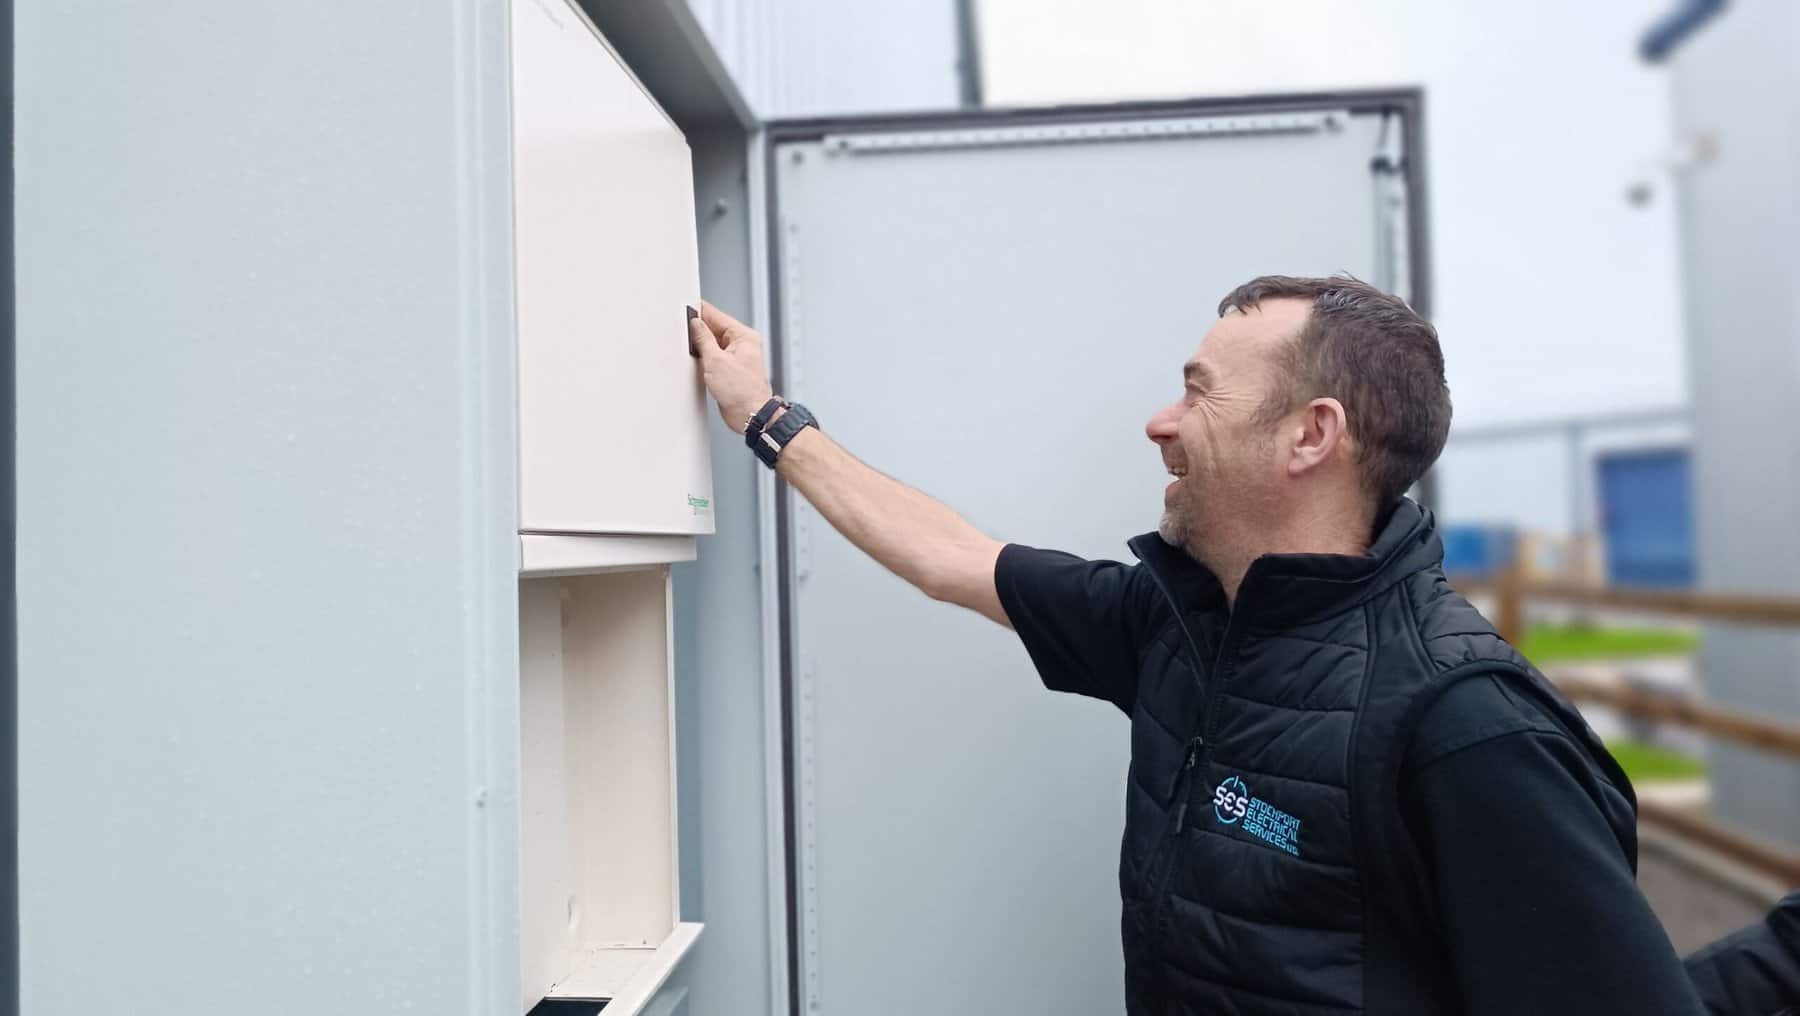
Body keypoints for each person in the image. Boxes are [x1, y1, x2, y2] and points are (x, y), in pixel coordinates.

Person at [687, 276, 1716, 1014]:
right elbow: (949, 555)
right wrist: (768, 418)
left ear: (1310, 435)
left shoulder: (1464, 724)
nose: (1159, 421)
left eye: (1198, 389)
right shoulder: (1175, 624)